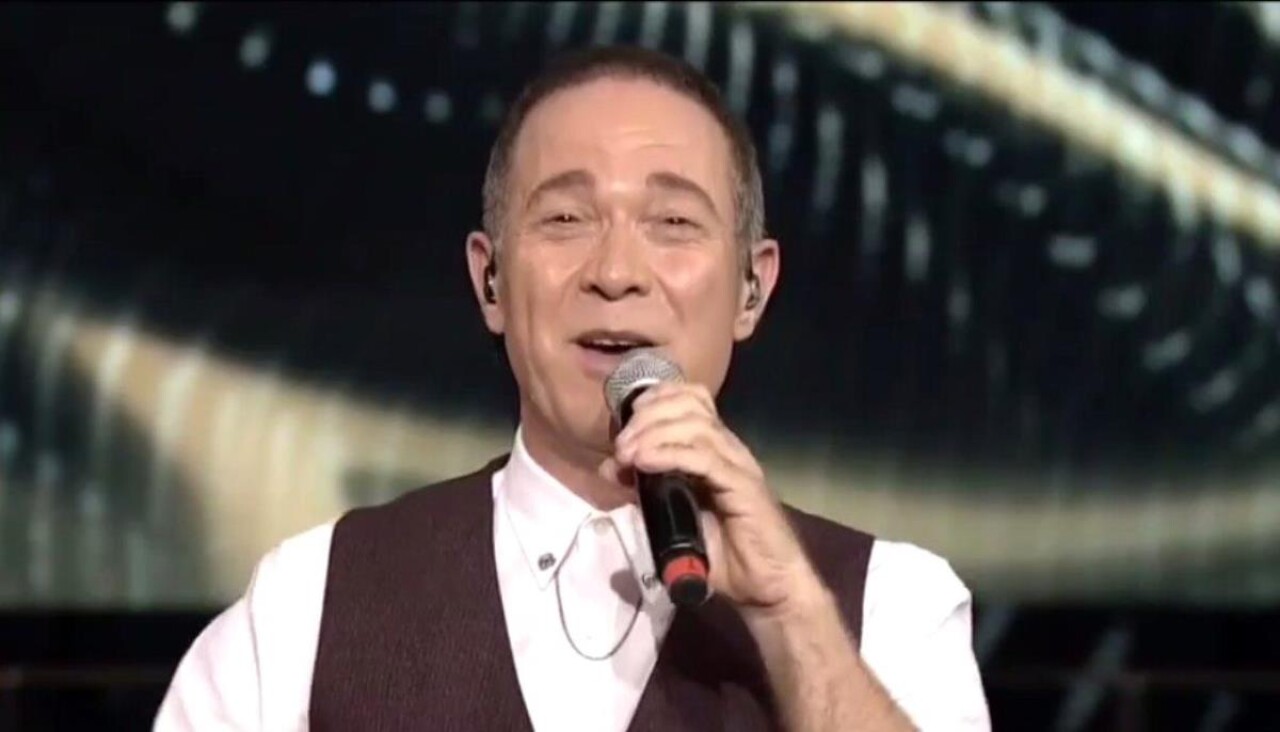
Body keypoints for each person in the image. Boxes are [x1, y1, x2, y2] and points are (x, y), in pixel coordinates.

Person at [155, 45, 990, 731]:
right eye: (565, 219)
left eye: (673, 223)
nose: (617, 272)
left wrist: (791, 614)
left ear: (752, 289)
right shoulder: (310, 601)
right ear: (489, 280)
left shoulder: (892, 603)